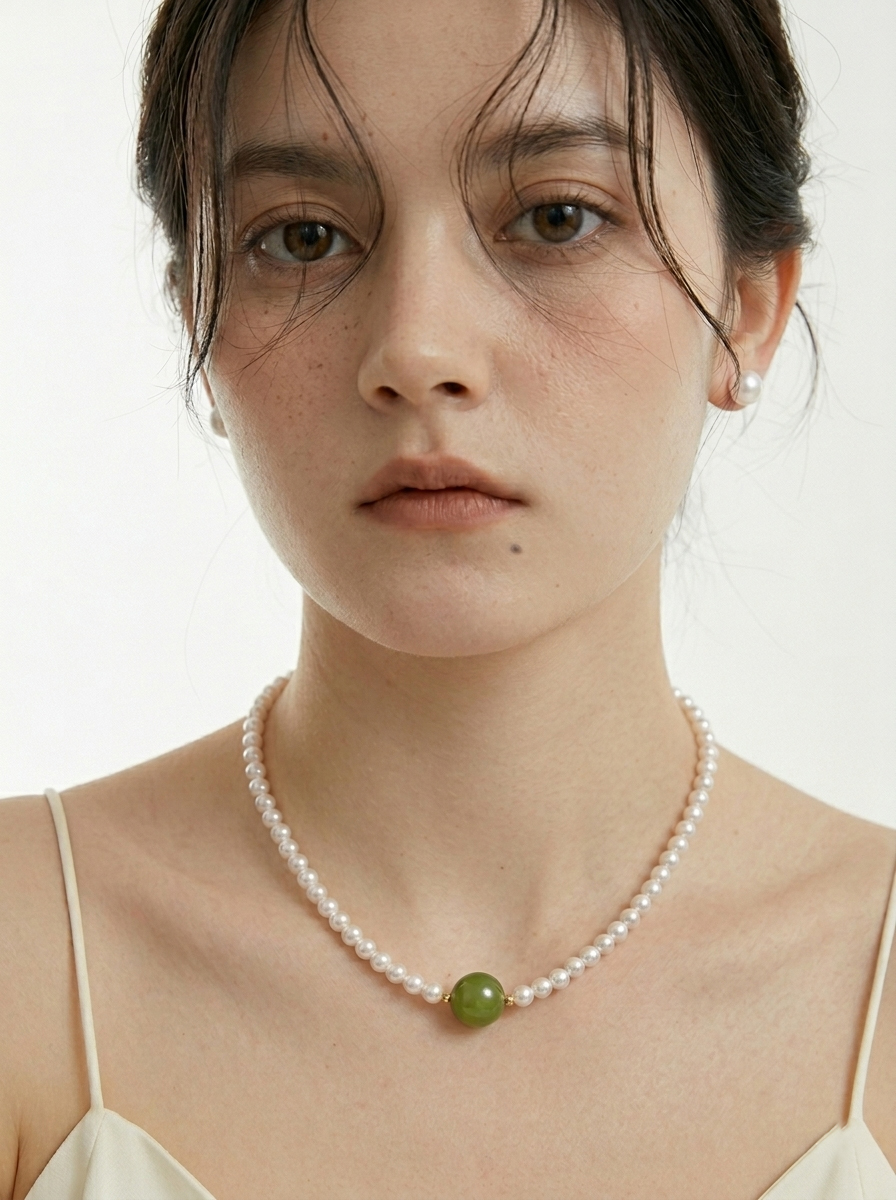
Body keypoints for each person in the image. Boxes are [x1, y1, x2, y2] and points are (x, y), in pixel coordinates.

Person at [1, 0, 894, 1196]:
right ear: (195, 321)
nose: (416, 349)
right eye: (302, 237)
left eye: (556, 217)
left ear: (749, 303)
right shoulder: (23, 961)